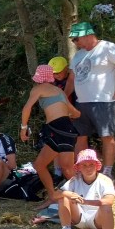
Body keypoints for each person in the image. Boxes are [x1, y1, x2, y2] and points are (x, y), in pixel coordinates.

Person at [68, 21, 115, 179]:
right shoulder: (78, 55)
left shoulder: (107, 47)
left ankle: (107, 171)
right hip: (80, 102)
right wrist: (64, 100)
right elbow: (71, 80)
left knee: (106, 135)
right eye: (73, 40)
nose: (75, 43)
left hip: (104, 100)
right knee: (80, 136)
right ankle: (82, 169)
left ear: (88, 34)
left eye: (77, 39)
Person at [20, 63, 81, 203]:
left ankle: (61, 196)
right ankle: (77, 196)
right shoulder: (59, 91)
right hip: (68, 129)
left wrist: (24, 128)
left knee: (45, 166)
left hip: (56, 128)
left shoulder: (38, 89)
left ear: (38, 78)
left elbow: (26, 108)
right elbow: (75, 113)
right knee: (64, 168)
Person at [50, 149, 115, 229]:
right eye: (84, 165)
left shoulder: (104, 180)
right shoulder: (74, 180)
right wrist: (68, 194)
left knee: (106, 206)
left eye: (91, 164)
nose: (88, 168)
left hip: (96, 220)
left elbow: (109, 200)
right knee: (64, 197)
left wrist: (86, 201)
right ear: (79, 167)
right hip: (79, 218)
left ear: (97, 166)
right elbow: (54, 195)